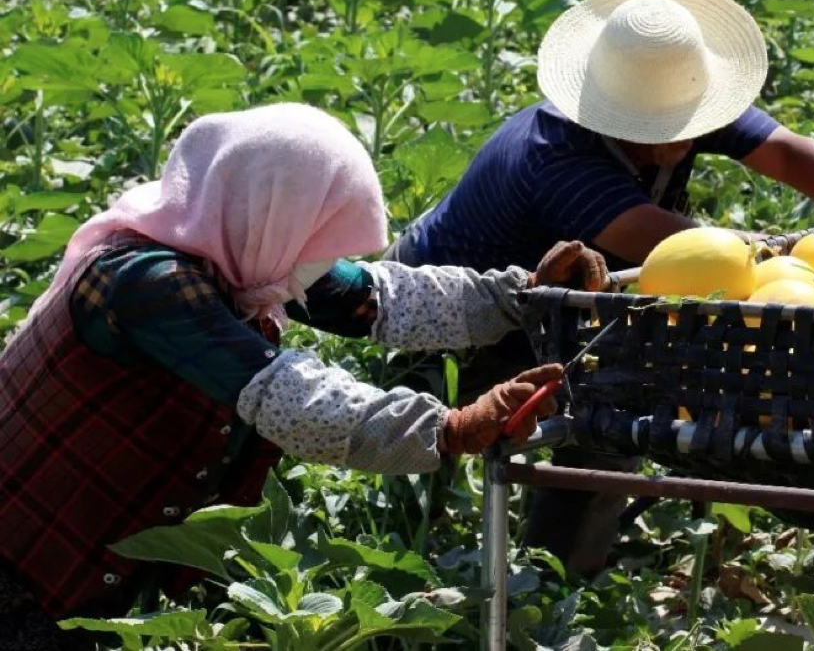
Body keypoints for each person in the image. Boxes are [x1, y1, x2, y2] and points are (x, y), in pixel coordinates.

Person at [384, 0, 814, 574]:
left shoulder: (685, 101)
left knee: (607, 417)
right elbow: (680, 247)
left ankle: (559, 572)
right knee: (457, 449)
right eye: (657, 130)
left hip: (554, 299)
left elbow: (782, 150)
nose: (681, 138)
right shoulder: (556, 160)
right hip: (439, 311)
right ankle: (484, 571)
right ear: (611, 111)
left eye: (688, 122)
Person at [0, 103, 608, 651]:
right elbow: (285, 393)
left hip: (88, 540)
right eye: (316, 240)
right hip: (23, 553)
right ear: (271, 213)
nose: (320, 264)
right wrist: (449, 428)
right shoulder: (146, 282)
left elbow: (383, 296)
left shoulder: (239, 248)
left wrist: (523, 295)